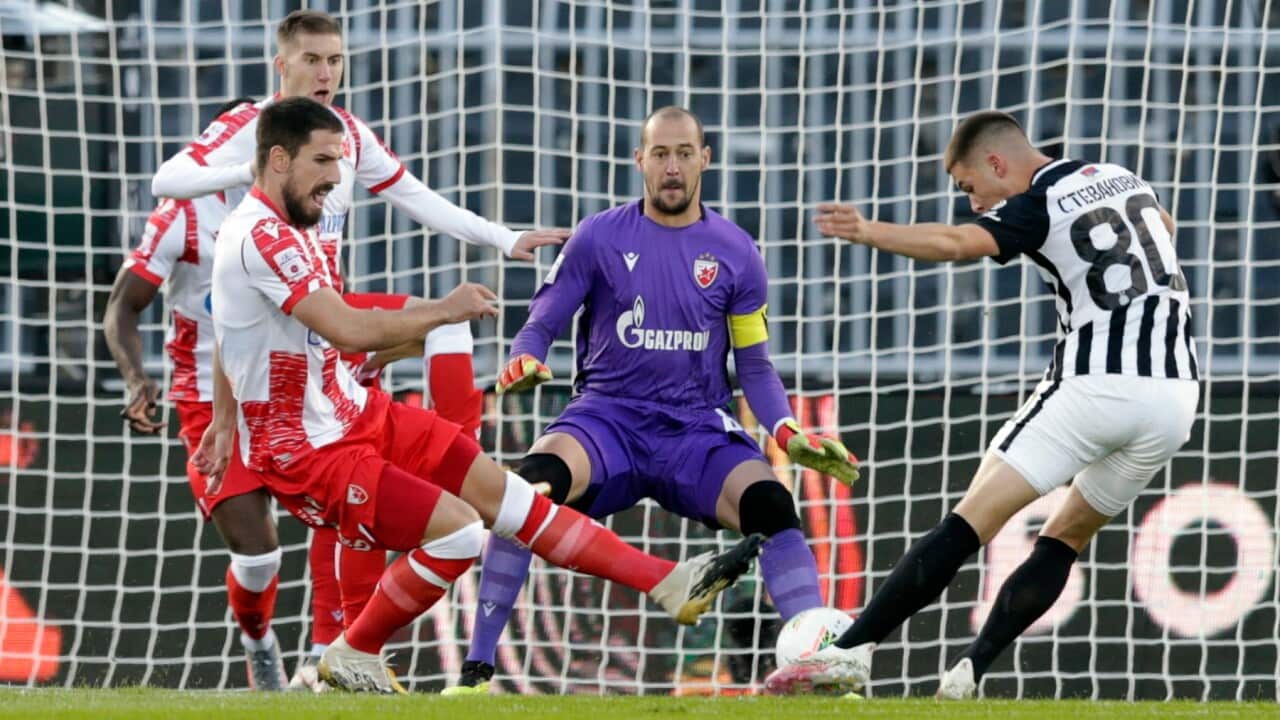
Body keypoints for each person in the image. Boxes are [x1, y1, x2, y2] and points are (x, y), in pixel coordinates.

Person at [197, 96, 764, 694]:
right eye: (325, 162)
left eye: (340, 161)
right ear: (279, 159)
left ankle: (667, 582)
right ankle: (351, 651)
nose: (337, 178)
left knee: (511, 498)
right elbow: (344, 327)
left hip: (356, 413)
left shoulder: (292, 224)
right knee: (462, 532)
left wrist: (225, 418)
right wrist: (444, 311)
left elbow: (232, 328)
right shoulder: (260, 236)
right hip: (310, 452)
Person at [149, 8, 568, 687]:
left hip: (324, 328)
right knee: (260, 558)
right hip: (255, 353)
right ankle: (279, 643)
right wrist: (248, 164)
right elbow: (167, 181)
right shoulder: (252, 134)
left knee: (443, 321)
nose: (324, 72)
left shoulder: (346, 135)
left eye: (335, 60)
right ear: (280, 65)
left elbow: (416, 196)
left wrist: (502, 237)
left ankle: (345, 636)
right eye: (311, 59)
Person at [765, 111, 1199, 699]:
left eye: (970, 187)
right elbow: (1163, 228)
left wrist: (869, 231)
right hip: (1176, 395)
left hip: (1099, 382)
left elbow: (954, 243)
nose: (973, 203)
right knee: (1066, 537)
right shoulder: (1122, 177)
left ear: (998, 164)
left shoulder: (1038, 201)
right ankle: (969, 672)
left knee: (970, 519)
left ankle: (850, 651)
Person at [444, 106, 860, 695]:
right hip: (606, 420)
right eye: (660, 153)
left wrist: (787, 430)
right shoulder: (599, 236)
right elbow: (543, 320)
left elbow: (756, 365)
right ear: (639, 159)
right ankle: (478, 671)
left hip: (694, 431)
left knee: (771, 504)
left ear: (705, 160)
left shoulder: (736, 252)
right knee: (526, 488)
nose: (672, 167)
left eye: (684, 153)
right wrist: (523, 356)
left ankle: (817, 662)